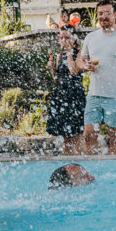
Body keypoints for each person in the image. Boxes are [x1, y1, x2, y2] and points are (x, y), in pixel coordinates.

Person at [77, 0, 116, 155]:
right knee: (88, 134)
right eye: (100, 13)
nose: (103, 16)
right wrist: (85, 66)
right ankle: (92, 168)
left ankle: (115, 170)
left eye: (107, 13)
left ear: (115, 14)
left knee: (114, 136)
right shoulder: (91, 37)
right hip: (94, 94)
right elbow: (80, 59)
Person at [46, 25, 86, 155]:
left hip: (75, 95)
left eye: (67, 37)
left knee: (77, 135)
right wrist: (52, 69)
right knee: (65, 136)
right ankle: (68, 163)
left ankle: (79, 162)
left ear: (74, 39)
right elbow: (56, 80)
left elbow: (73, 71)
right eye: (61, 38)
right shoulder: (59, 56)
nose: (63, 40)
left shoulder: (80, 54)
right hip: (61, 95)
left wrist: (69, 52)